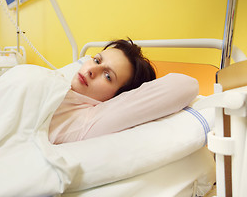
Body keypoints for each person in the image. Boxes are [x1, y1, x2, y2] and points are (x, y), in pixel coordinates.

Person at [49, 38, 199, 144]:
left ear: (118, 96)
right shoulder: (58, 83)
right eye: (97, 60)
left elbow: (186, 86)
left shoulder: (89, 120)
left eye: (108, 76)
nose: (92, 70)